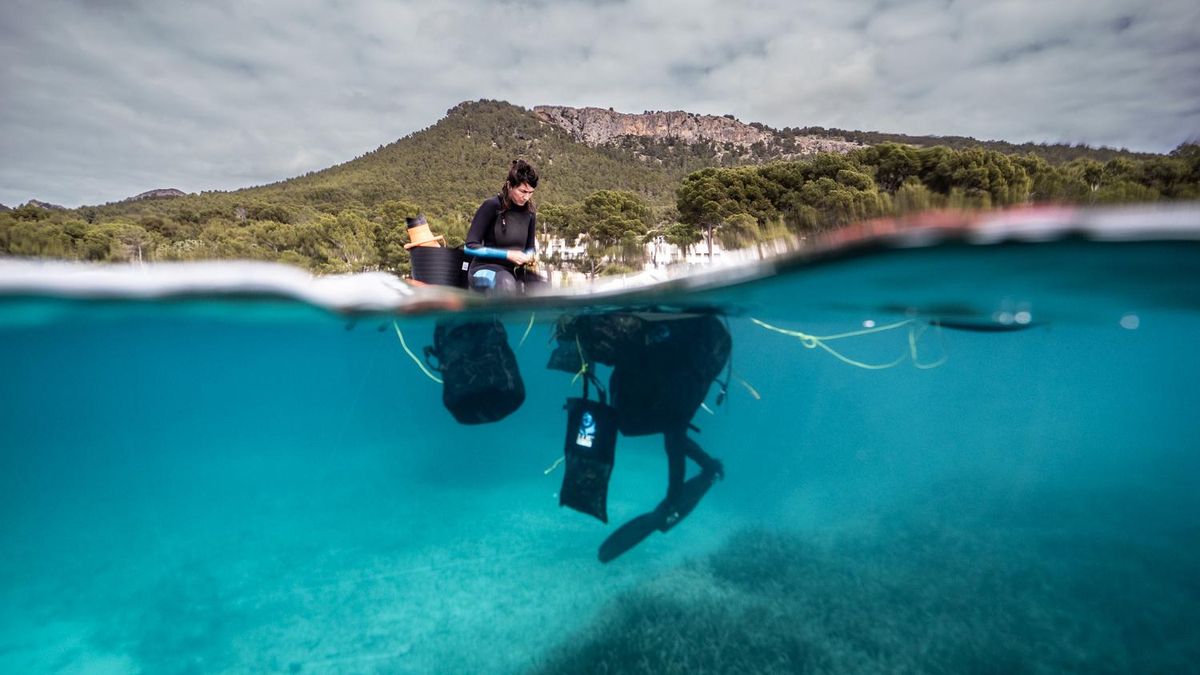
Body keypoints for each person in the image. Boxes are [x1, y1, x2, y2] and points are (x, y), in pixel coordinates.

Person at [549, 310, 730, 539]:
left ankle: (691, 483)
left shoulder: (671, 357)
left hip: (701, 353)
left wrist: (672, 499)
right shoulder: (625, 342)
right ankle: (703, 469)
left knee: (672, 424)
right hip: (658, 357)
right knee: (645, 423)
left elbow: (675, 429)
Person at [465, 159, 546, 293]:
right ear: (510, 185)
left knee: (541, 288)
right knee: (506, 283)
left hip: (512, 271)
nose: (526, 197)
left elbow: (530, 248)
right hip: (484, 268)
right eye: (522, 191)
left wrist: (529, 256)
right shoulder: (491, 206)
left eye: (530, 192)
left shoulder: (530, 212)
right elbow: (470, 247)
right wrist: (507, 255)